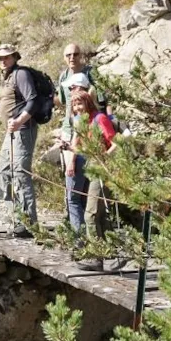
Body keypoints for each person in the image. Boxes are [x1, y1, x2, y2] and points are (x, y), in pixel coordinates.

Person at [0, 44, 38, 238]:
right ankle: (17, 218)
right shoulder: (8, 77)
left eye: (6, 57)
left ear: (15, 57)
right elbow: (7, 105)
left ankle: (29, 223)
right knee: (4, 173)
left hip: (23, 130)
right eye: (0, 58)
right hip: (11, 132)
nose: (2, 61)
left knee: (20, 174)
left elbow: (33, 101)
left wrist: (19, 121)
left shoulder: (21, 75)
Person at [65, 90, 118, 270]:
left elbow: (116, 143)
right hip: (92, 168)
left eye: (80, 104)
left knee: (91, 214)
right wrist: (68, 149)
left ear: (88, 103)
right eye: (74, 105)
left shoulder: (99, 119)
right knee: (99, 213)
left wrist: (104, 158)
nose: (77, 108)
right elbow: (80, 148)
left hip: (103, 169)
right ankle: (112, 253)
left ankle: (96, 257)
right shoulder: (82, 122)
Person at [58, 71, 92, 233]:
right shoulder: (94, 113)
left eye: (72, 88)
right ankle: (88, 234)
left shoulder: (79, 117)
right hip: (91, 158)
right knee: (84, 198)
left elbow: (77, 141)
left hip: (79, 158)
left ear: (79, 88)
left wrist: (71, 162)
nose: (70, 91)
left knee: (73, 199)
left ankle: (79, 237)